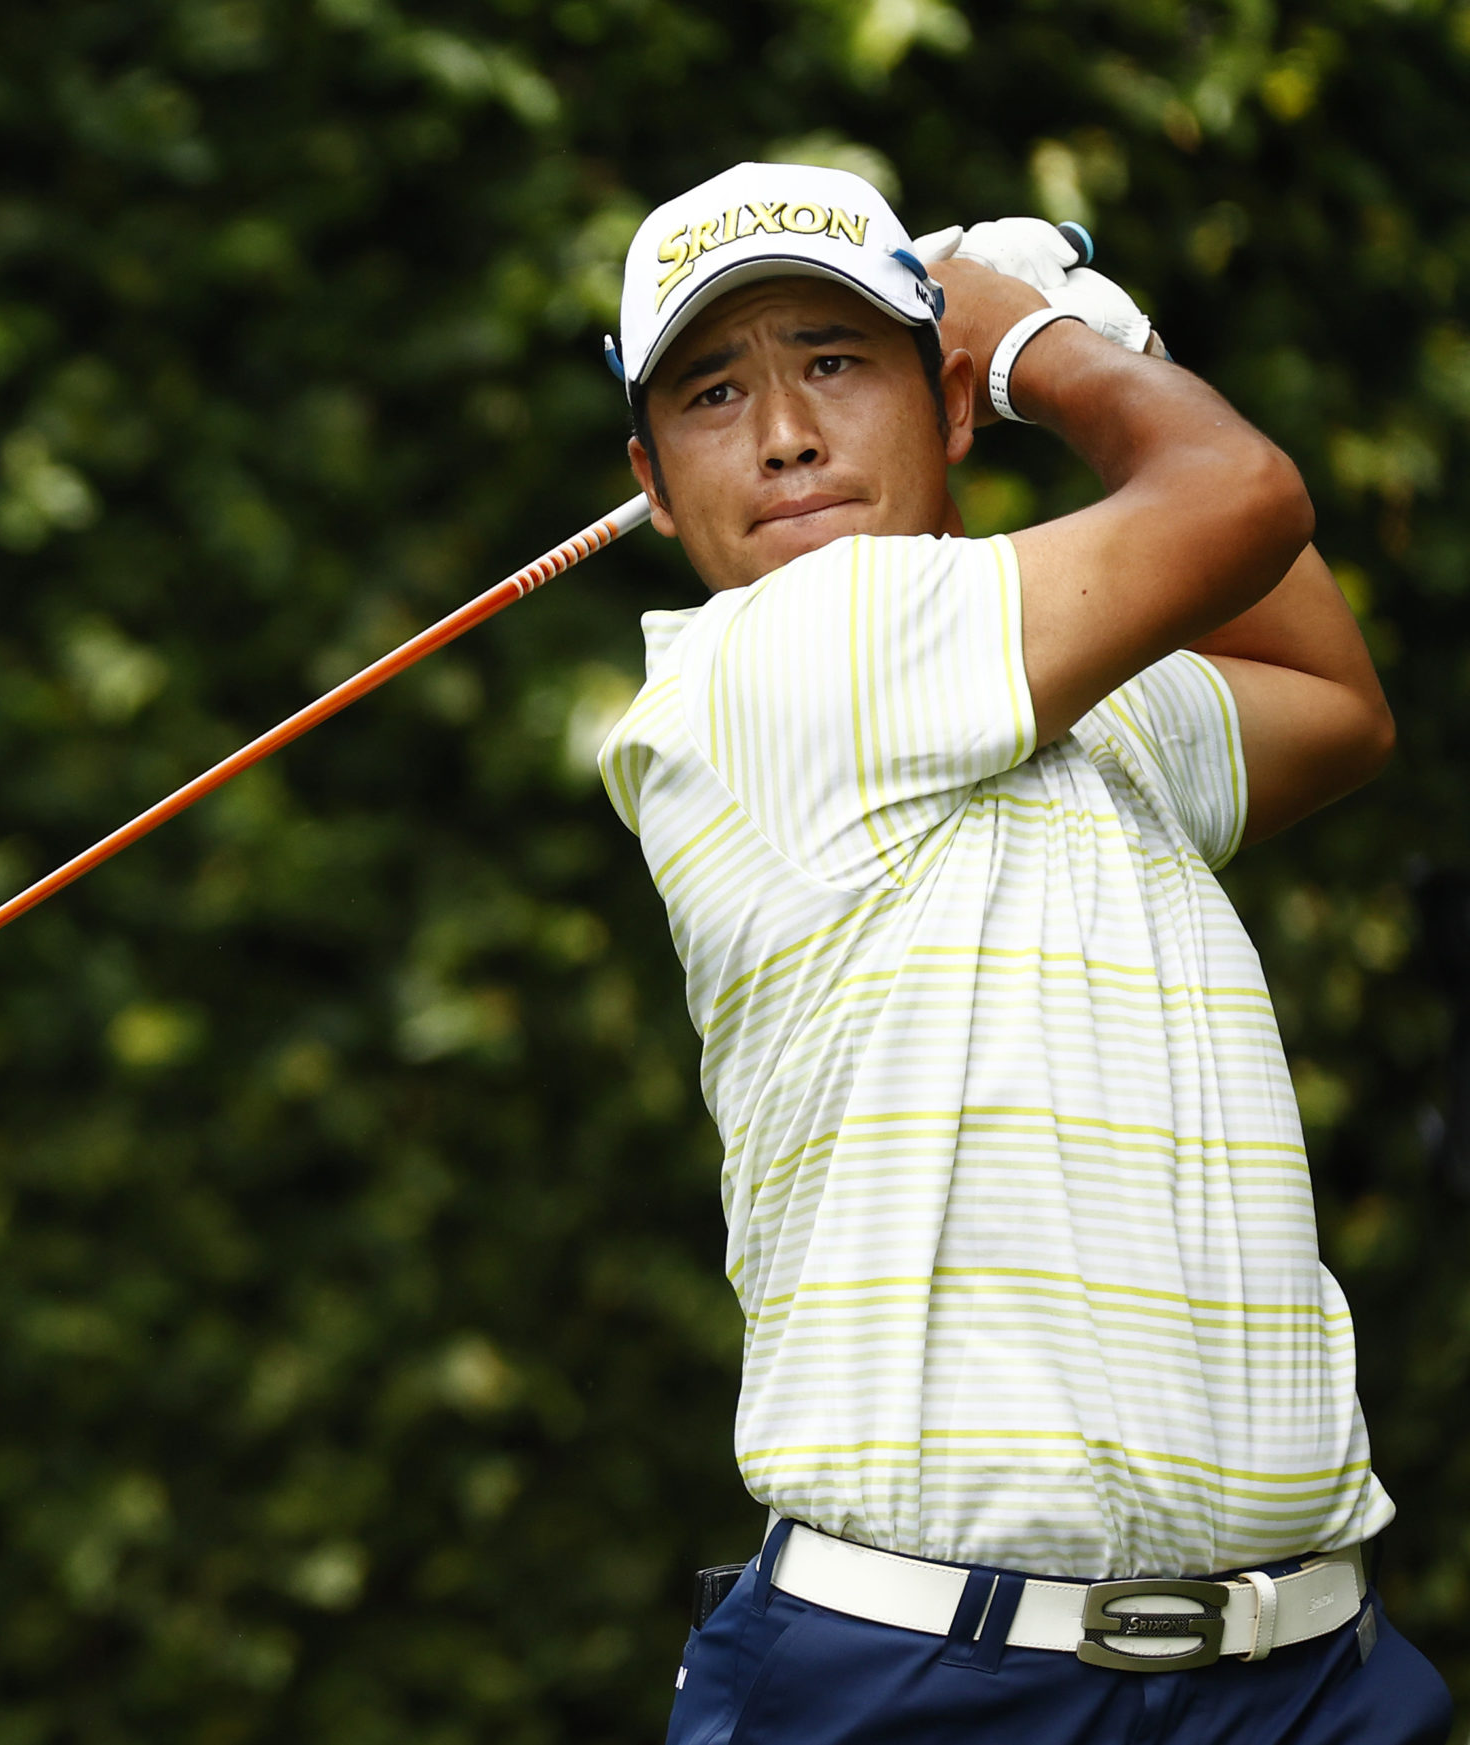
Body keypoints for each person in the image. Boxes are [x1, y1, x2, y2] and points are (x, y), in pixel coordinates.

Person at [598, 162, 1454, 1743]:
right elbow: (1242, 498)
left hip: (1306, 1674)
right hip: (935, 1688)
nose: (784, 430)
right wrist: (1053, 339)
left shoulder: (1081, 690)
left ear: (946, 410)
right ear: (652, 478)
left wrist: (1074, 331)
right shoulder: (774, 665)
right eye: (716, 392)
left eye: (836, 362)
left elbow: (1334, 702)